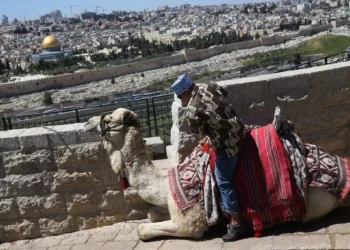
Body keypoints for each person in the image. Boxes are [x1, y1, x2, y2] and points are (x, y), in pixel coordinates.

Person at [171, 73, 248, 242]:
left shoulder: (192, 109)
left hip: (228, 145)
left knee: (223, 180)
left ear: (184, 92)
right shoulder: (210, 86)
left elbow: (200, 136)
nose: (180, 99)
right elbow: (225, 95)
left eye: (179, 96)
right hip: (240, 129)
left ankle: (236, 223)